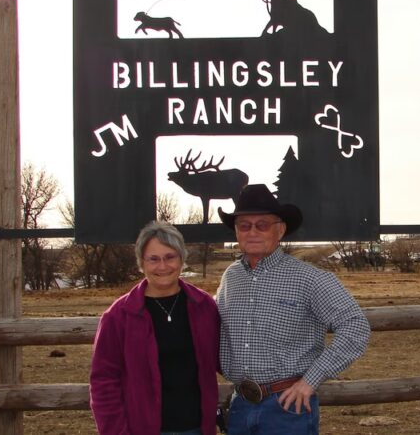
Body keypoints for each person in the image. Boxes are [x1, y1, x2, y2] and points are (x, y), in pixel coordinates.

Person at [215, 184, 370, 434]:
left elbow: (356, 327)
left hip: (287, 407)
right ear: (236, 231)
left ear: (281, 229)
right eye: (244, 225)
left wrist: (310, 381)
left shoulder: (310, 279)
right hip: (241, 406)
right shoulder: (230, 277)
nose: (252, 231)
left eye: (262, 224)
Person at [90, 221, 220, 435]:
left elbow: (226, 358)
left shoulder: (203, 306)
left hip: (197, 428)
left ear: (181, 259)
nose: (162, 266)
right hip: (142, 429)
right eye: (153, 259)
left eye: (170, 257)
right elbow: (103, 381)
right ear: (142, 262)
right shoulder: (119, 315)